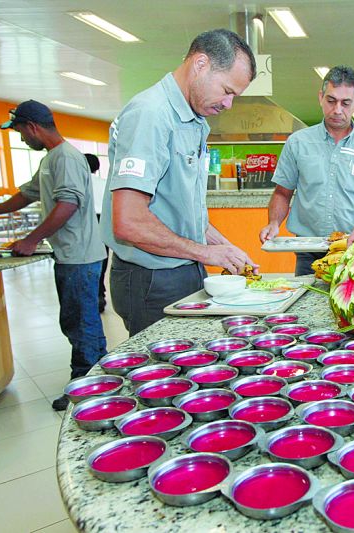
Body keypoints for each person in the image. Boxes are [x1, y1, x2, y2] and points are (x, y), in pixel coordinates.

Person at [100, 29, 258, 336]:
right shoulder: (151, 114)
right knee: (164, 377)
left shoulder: (194, 119)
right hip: (151, 279)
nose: (228, 104)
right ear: (200, 64)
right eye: (227, 90)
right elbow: (129, 222)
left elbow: (180, 211)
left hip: (182, 270)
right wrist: (205, 253)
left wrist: (223, 247)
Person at [0, 100, 107, 411]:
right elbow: (25, 195)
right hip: (71, 255)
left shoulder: (66, 158)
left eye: (20, 133)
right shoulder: (51, 159)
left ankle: (87, 388)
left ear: (32, 127)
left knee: (81, 324)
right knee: (79, 321)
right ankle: (100, 380)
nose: (21, 139)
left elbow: (67, 205)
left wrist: (31, 239)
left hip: (79, 256)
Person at [258, 65, 354, 276]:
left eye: (345, 103)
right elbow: (282, 193)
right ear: (321, 97)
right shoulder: (298, 143)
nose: (337, 109)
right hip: (307, 250)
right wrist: (274, 223)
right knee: (307, 306)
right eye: (331, 101)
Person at [85, 153, 109, 313]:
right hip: (105, 220)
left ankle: (92, 295)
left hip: (88, 221)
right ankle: (100, 293)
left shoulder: (82, 183)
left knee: (89, 259)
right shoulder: (104, 183)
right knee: (103, 258)